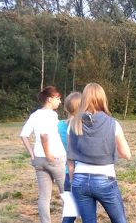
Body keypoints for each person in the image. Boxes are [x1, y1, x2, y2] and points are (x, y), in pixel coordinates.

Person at [67, 83, 131, 223]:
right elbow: (127, 154)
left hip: (79, 180)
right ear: (102, 98)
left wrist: (73, 181)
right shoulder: (112, 123)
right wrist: (107, 152)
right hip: (104, 179)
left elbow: (70, 159)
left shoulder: (74, 123)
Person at [20, 86, 66, 223]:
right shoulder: (51, 115)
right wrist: (49, 155)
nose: (60, 102)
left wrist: (33, 155)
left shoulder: (34, 115)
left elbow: (23, 135)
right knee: (66, 194)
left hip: (39, 160)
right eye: (58, 99)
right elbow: (44, 136)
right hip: (55, 158)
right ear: (49, 99)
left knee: (44, 197)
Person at [58, 92, 82, 223]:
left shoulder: (59, 126)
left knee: (70, 210)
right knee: (87, 211)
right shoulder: (83, 125)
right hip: (82, 171)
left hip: (67, 172)